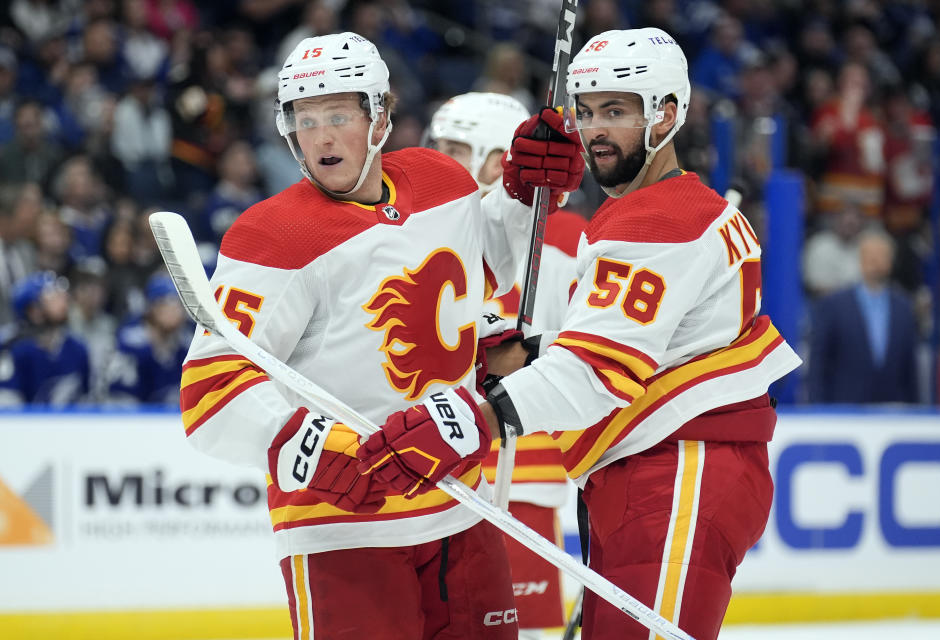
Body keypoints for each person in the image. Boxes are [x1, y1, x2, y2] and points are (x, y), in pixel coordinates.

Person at [356, 28, 802, 640]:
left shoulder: (658, 221)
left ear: (666, 115)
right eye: (587, 111)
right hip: (648, 472)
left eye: (616, 111)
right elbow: (648, 347)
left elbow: (597, 372)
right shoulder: (666, 211)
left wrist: (474, 417)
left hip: (674, 474)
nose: (595, 129)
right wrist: (528, 352)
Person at [177, 32, 583, 640]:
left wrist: (526, 194)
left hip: (460, 509)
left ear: (381, 117)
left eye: (338, 114)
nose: (320, 135)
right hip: (346, 528)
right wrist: (300, 440)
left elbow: (487, 263)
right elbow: (209, 391)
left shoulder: (439, 179)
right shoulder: (271, 237)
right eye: (304, 118)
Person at [424, 92, 586, 638]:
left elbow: (585, 352)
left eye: (456, 148)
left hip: (524, 474)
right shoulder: (421, 236)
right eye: (437, 145)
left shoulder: (564, 241)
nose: (441, 159)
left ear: (499, 160)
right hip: (439, 470)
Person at [808, 229, 918, 404]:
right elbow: (819, 364)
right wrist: (818, 409)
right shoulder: (833, 305)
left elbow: (910, 367)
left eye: (882, 255)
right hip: (845, 410)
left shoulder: (903, 307)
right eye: (870, 255)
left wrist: (913, 409)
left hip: (892, 411)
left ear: (891, 260)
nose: (875, 261)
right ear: (859, 259)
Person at [0, 271, 91, 406]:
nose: (64, 300)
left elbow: (86, 400)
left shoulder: (77, 348)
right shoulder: (12, 348)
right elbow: (7, 404)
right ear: (33, 310)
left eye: (62, 295)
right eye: (53, 297)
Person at [106, 272, 191, 406]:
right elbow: (120, 402)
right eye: (166, 303)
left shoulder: (186, 346)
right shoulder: (131, 345)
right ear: (151, 307)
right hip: (134, 421)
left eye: (178, 304)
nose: (174, 310)